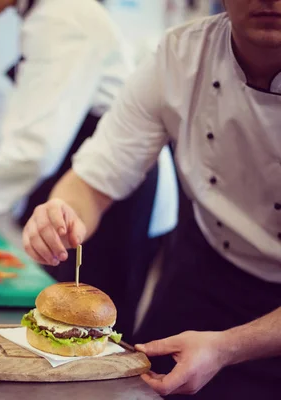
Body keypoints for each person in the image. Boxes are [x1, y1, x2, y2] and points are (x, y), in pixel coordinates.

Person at [21, 0, 281, 397]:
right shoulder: (180, 56)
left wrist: (228, 348)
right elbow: (95, 177)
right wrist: (61, 214)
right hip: (203, 270)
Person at [0, 0, 178, 340]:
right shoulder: (50, 14)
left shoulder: (62, 17)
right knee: (60, 317)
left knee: (92, 326)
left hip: (114, 195)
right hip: (87, 185)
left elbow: (34, 151)